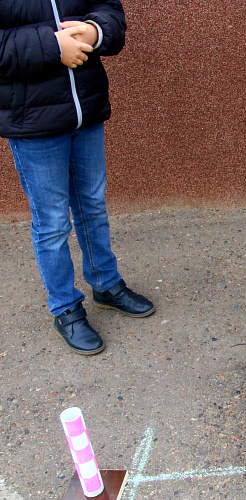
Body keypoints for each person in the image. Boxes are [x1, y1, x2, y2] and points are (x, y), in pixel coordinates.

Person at [0, 0, 155, 355]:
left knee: (92, 206)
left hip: (86, 110)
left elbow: (109, 10)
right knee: (52, 221)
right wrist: (53, 45)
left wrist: (95, 31)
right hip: (32, 121)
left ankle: (106, 283)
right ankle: (65, 307)